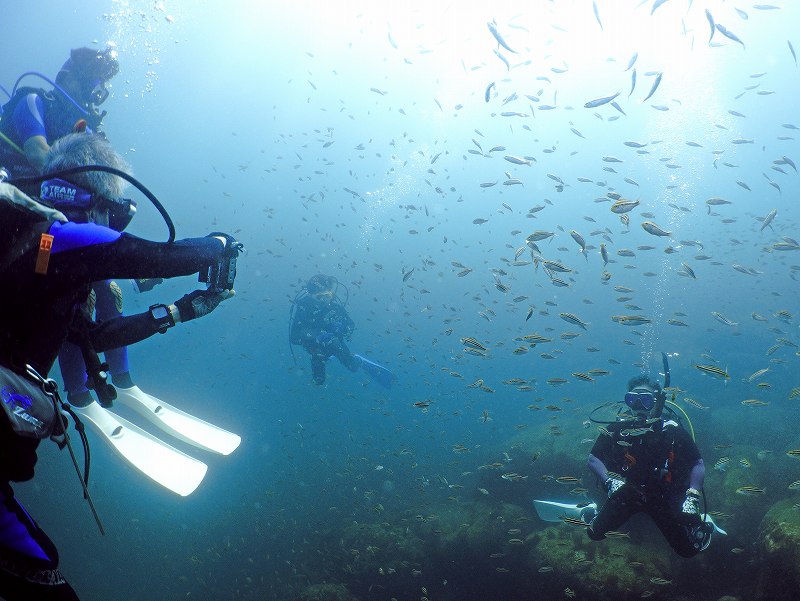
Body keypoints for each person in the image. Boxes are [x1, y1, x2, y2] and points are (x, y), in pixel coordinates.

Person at [0, 132, 240, 599]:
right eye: (115, 212)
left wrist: (178, 312)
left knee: (38, 566)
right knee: (42, 577)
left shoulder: (37, 255)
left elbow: (90, 339)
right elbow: (157, 257)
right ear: (97, 198)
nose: (113, 222)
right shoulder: (61, 238)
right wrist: (219, 243)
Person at [585, 375, 710, 558]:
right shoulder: (617, 429)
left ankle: (700, 523)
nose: (638, 407)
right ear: (627, 402)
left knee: (689, 550)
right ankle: (589, 510)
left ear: (656, 401)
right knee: (593, 534)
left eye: (645, 400)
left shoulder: (671, 429)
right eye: (632, 400)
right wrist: (609, 481)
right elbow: (593, 458)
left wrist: (692, 496)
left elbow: (697, 463)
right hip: (626, 493)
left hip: (663, 495)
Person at [0, 47, 119, 189]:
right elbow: (37, 154)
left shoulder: (82, 129)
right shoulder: (33, 102)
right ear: (69, 80)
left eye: (98, 94)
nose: (92, 100)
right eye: (89, 88)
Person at [290, 274, 361, 385]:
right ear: (311, 296)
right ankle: (318, 378)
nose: (324, 300)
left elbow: (350, 324)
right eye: (319, 296)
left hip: (336, 343)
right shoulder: (304, 309)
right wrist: (316, 336)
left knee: (346, 357)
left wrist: (342, 327)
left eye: (327, 295)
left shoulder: (335, 307)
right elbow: (294, 338)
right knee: (319, 376)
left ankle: (350, 360)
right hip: (315, 347)